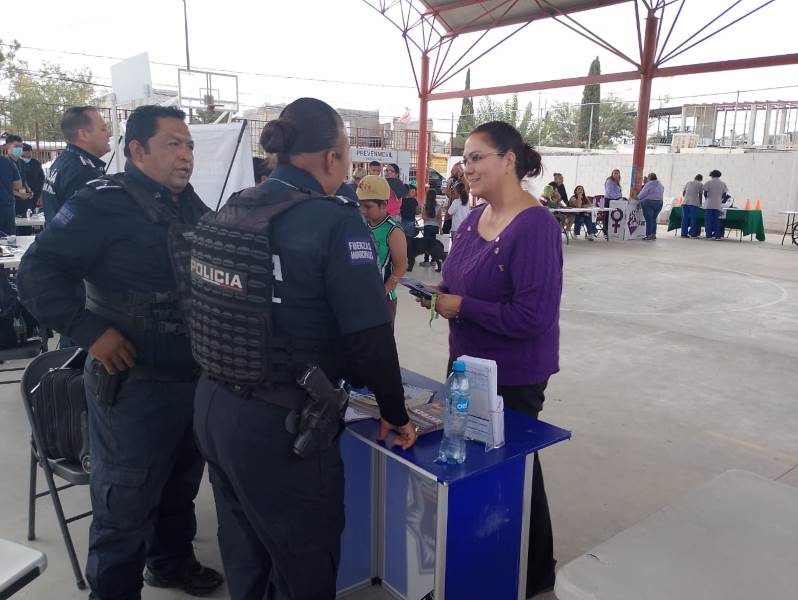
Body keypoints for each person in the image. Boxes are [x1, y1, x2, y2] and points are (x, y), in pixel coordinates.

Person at [191, 97, 416, 600]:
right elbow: (370, 337)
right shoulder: (335, 221)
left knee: (244, 552)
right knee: (304, 567)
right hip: (281, 427)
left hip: (212, 406)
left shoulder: (236, 207)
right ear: (331, 158)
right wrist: (395, 411)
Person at [17, 105, 224, 600]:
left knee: (179, 483)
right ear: (136, 150)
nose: (186, 155)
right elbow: (37, 272)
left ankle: (170, 563)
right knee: (125, 502)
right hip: (134, 384)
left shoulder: (185, 202)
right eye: (173, 144)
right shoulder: (100, 202)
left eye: (190, 144)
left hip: (189, 375)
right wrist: (89, 331)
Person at [417, 120, 561, 598]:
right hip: (466, 367)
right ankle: (483, 559)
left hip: (514, 376)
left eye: (477, 156)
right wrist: (441, 293)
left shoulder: (536, 225)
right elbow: (462, 281)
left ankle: (535, 572)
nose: (466, 167)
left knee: (515, 471)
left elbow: (533, 316)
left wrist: (463, 307)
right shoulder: (473, 218)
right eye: (464, 158)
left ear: (509, 160)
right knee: (473, 469)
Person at [42, 106, 110, 224]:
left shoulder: (62, 161)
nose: (108, 135)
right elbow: (91, 224)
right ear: (83, 134)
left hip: (56, 238)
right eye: (103, 129)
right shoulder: (83, 171)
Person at [358, 174, 408, 325]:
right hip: (360, 296)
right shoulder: (360, 224)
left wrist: (381, 293)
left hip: (383, 300)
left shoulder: (393, 231)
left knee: (380, 344)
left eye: (368, 206)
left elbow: (400, 268)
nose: (363, 210)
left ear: (384, 205)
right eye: (360, 205)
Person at [0, 136, 22, 236]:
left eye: (21, 146)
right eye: (16, 146)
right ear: (7, 146)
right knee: (8, 239)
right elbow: (18, 185)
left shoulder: (12, 162)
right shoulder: (7, 162)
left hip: (7, 203)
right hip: (5, 207)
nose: (19, 149)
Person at [17, 144, 45, 215]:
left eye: (29, 152)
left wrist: (40, 194)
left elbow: (41, 179)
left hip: (34, 194)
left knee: (31, 214)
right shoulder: (16, 163)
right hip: (20, 194)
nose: (27, 154)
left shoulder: (36, 163)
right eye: (24, 152)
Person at [636, 172, 664, 240]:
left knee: (649, 219)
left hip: (649, 202)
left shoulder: (649, 184)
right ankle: (653, 234)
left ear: (649, 178)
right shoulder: (660, 184)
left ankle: (648, 235)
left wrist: (637, 198)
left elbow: (642, 194)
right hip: (659, 203)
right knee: (654, 219)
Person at [703, 169, 728, 240]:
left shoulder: (708, 182)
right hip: (718, 204)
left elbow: (705, 193)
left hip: (709, 204)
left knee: (708, 221)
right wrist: (720, 199)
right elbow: (724, 194)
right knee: (717, 221)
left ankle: (709, 236)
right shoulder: (723, 183)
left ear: (712, 175)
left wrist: (707, 198)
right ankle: (717, 236)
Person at [443, 162, 467, 234]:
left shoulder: (463, 181)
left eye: (453, 171)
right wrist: (448, 189)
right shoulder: (453, 181)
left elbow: (457, 195)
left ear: (459, 171)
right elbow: (450, 196)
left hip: (458, 212)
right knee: (445, 232)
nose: (451, 173)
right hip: (450, 210)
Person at [421, 188, 442, 266]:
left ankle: (426, 261)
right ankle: (433, 261)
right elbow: (439, 219)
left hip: (427, 227)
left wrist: (429, 219)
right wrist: (441, 228)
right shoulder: (438, 206)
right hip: (435, 227)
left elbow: (423, 217)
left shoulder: (424, 206)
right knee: (433, 244)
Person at [681, 174, 703, 238]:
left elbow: (684, 193)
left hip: (685, 203)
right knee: (693, 219)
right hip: (694, 203)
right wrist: (700, 203)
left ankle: (683, 234)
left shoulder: (688, 182)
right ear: (701, 179)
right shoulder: (700, 184)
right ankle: (693, 234)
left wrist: (686, 197)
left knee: (684, 218)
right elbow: (700, 195)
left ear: (695, 178)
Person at [603, 168, 623, 239]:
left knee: (612, 217)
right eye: (615, 173)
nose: (616, 175)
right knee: (607, 216)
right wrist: (618, 198)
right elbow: (609, 192)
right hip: (609, 200)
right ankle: (605, 232)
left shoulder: (617, 182)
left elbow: (619, 192)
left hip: (616, 201)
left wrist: (621, 197)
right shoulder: (609, 181)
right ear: (612, 174)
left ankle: (611, 232)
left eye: (617, 173)